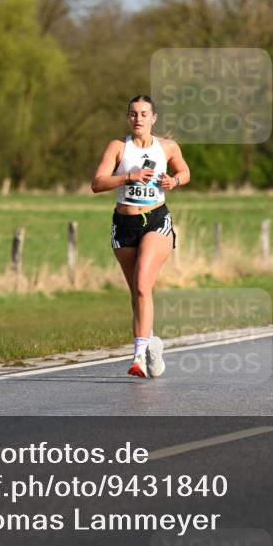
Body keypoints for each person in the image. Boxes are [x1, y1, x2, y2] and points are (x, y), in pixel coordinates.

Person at [90, 95, 190, 377]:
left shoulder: (167, 147)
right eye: (133, 114)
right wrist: (128, 178)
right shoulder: (118, 147)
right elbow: (97, 183)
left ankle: (137, 358)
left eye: (144, 114)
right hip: (124, 224)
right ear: (128, 117)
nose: (138, 119)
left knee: (144, 285)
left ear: (154, 118)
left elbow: (185, 171)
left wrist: (175, 180)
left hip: (156, 220)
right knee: (137, 291)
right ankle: (151, 343)